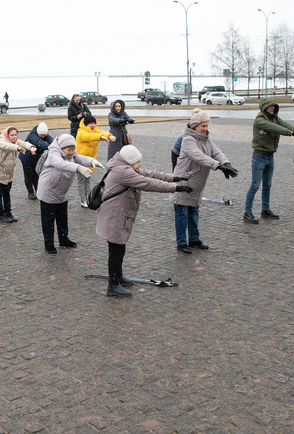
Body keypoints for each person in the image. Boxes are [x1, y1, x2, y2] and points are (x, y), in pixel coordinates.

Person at [96, 145, 193, 297]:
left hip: (118, 214)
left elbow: (150, 174)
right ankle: (113, 285)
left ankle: (118, 277)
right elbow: (148, 183)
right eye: (137, 162)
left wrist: (174, 178)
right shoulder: (123, 171)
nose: (139, 164)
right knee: (115, 250)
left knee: (119, 247)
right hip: (115, 216)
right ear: (129, 161)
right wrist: (176, 188)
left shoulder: (125, 167)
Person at [172, 111, 237, 253]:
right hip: (184, 181)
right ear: (195, 126)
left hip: (197, 183)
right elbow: (199, 156)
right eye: (203, 126)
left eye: (207, 126)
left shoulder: (206, 139)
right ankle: (181, 243)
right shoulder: (188, 140)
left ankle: (194, 239)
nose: (205, 129)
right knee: (182, 213)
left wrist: (226, 163)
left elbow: (217, 152)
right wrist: (218, 166)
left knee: (194, 211)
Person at [243, 97, 294, 224]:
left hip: (270, 156)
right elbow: (275, 128)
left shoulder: (274, 117)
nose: (273, 108)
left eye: (274, 106)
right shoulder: (260, 120)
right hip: (259, 156)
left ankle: (265, 210)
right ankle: (247, 212)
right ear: (265, 107)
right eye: (270, 106)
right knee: (255, 185)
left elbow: (284, 124)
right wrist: (291, 133)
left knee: (267, 185)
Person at [37, 134, 101, 254]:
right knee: (48, 220)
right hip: (48, 190)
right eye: (69, 150)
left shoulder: (71, 153)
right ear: (61, 148)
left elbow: (81, 158)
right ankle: (49, 244)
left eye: (72, 149)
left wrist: (92, 161)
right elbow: (59, 163)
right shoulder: (54, 153)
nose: (71, 152)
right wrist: (78, 168)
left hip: (62, 191)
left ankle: (64, 239)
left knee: (62, 217)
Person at [0, 126, 36, 223]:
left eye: (16, 135)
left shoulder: (16, 142)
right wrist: (18, 148)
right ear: (7, 135)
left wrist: (31, 147)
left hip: (9, 174)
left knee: (7, 194)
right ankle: (1, 214)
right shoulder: (1, 142)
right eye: (12, 135)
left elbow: (24, 143)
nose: (14, 137)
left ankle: (8, 212)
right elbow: (7, 146)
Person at [75, 113, 113, 207]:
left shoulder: (94, 130)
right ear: (86, 124)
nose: (93, 125)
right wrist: (100, 137)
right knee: (81, 181)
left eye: (94, 123)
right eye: (91, 123)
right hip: (80, 160)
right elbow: (88, 136)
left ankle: (88, 198)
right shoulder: (81, 132)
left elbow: (100, 132)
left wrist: (109, 136)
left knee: (87, 180)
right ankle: (83, 200)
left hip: (90, 161)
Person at [18, 122, 53, 200]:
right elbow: (38, 142)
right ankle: (30, 192)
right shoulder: (32, 135)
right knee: (28, 176)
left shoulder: (43, 134)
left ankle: (38, 190)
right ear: (38, 132)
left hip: (36, 159)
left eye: (44, 135)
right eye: (41, 135)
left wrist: (54, 145)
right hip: (26, 158)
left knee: (36, 175)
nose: (43, 137)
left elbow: (50, 139)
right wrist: (48, 147)